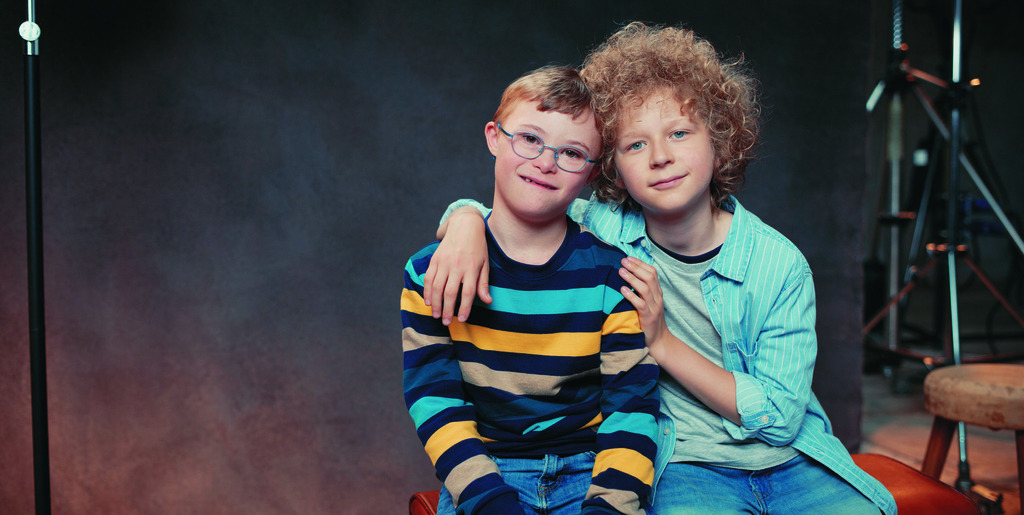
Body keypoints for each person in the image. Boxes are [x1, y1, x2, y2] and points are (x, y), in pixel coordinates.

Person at [423, 23, 897, 515]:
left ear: (718, 140)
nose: (661, 157)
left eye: (679, 132)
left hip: (789, 458)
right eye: (635, 145)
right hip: (681, 461)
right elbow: (526, 210)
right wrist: (463, 220)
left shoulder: (779, 265)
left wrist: (663, 342)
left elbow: (779, 417)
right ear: (609, 170)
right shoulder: (604, 229)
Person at [401, 65, 661, 515]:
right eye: (530, 138)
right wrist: (490, 502)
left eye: (573, 153)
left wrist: (610, 506)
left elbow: (632, 408)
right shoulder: (431, 272)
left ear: (592, 174)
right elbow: (435, 399)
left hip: (590, 472)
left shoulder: (611, 276)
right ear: (494, 137)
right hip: (485, 474)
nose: (545, 162)